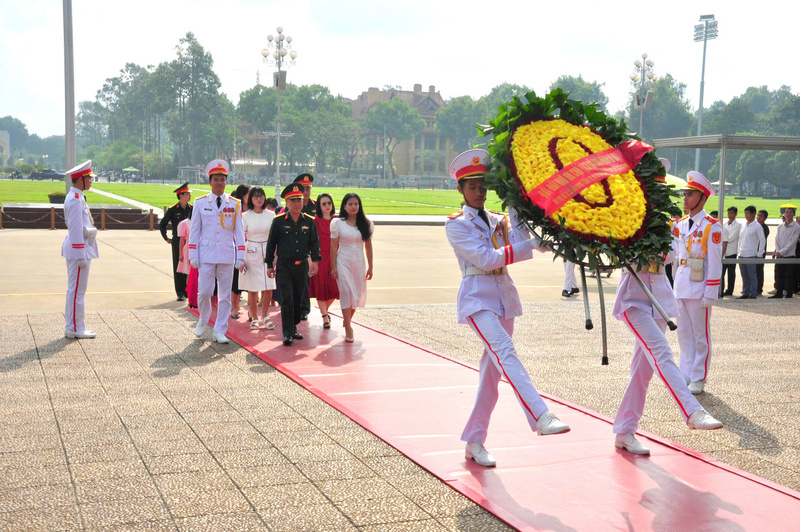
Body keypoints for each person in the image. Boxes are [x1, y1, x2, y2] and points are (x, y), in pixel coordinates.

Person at [445, 149, 569, 468]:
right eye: (471, 186)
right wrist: (528, 246)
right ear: (460, 189)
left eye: (483, 186)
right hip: (477, 298)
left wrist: (523, 210)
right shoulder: (457, 225)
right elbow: (488, 259)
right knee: (504, 350)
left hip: (503, 298)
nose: (478, 192)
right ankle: (541, 415)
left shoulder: (498, 220)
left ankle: (475, 440)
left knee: (491, 374)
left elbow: (526, 240)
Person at [612, 261, 723, 455]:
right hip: (633, 298)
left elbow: (672, 251)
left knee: (642, 372)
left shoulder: (669, 228)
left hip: (660, 299)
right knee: (662, 352)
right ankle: (692, 411)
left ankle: (624, 430)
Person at [672, 172, 723, 395]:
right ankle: (685, 373)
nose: (685, 198)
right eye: (684, 194)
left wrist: (710, 293)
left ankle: (699, 376)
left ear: (702, 198)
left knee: (700, 335)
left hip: (699, 287)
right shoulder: (680, 225)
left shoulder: (712, 226)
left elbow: (714, 262)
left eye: (690, 194)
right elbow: (673, 254)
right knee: (683, 333)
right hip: (682, 286)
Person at [188, 160, 246, 344]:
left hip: (227, 254)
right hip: (206, 254)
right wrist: (193, 253)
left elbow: (239, 231)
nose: (219, 183)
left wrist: (241, 255)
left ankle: (220, 329)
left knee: (225, 295)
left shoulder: (235, 204)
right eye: (216, 179)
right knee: (204, 292)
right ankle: (203, 319)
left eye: (222, 179)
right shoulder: (200, 203)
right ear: (210, 182)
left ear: (226, 182)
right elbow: (195, 230)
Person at [266, 183, 321, 346]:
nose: (297, 203)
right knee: (287, 300)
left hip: (302, 266)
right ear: (287, 203)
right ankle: (287, 333)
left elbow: (314, 243)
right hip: (284, 266)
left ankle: (294, 326)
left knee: (298, 300)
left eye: (299, 200)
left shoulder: (309, 222)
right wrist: (269, 264)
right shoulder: (278, 221)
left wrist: (315, 261)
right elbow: (271, 244)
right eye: (293, 200)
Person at [62, 160, 99, 339]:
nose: (91, 181)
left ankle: (73, 325)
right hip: (79, 250)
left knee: (74, 290)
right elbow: (75, 231)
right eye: (88, 178)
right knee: (77, 291)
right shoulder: (76, 200)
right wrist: (81, 255)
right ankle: (76, 327)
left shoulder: (76, 197)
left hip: (78, 248)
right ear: (80, 180)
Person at [331, 193, 374, 343]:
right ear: (344, 206)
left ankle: (347, 318)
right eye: (350, 204)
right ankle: (348, 326)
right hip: (343, 260)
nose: (353, 207)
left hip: (359, 262)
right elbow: (334, 246)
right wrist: (333, 266)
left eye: (356, 204)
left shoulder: (366, 223)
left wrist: (371, 267)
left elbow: (368, 246)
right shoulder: (338, 223)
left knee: (356, 293)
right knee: (346, 290)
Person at [238, 186, 276, 330]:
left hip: (268, 250)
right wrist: (241, 258)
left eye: (261, 196)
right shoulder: (245, 216)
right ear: (251, 199)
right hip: (251, 250)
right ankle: (254, 317)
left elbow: (276, 237)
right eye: (255, 196)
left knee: (268, 285)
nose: (259, 199)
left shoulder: (272, 215)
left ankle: (265, 315)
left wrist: (276, 255)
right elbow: (240, 237)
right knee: (252, 287)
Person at [309, 193, 339, 330]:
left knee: (336, 289)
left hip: (335, 258)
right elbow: (310, 241)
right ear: (319, 206)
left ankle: (324, 309)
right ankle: (325, 316)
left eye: (329, 203)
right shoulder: (315, 221)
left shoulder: (338, 220)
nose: (327, 206)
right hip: (320, 258)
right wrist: (311, 259)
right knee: (321, 288)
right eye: (324, 204)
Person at [159, 183, 193, 301]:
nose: (189, 196)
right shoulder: (173, 210)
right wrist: (166, 237)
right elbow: (162, 224)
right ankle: (180, 292)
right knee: (178, 265)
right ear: (181, 195)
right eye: (187, 194)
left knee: (190, 266)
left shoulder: (192, 208)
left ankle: (188, 290)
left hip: (190, 240)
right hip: (177, 240)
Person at [294, 173, 316, 320]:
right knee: (298, 279)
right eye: (304, 189)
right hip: (298, 245)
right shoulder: (296, 205)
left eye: (308, 188)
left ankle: (305, 308)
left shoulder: (316, 205)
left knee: (306, 280)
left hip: (311, 246)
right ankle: (296, 306)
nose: (307, 191)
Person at [229, 184, 251, 319]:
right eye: (249, 194)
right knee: (236, 279)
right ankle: (235, 307)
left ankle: (251, 309)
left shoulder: (255, 211)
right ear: (243, 195)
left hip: (252, 247)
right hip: (237, 247)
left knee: (251, 279)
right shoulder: (235, 209)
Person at [770, 206, 800, 299]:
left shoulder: (796, 227)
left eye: (790, 212)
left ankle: (789, 293)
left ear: (794, 214)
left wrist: (782, 252)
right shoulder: (780, 226)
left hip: (789, 255)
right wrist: (778, 251)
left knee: (790, 275)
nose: (788, 214)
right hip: (780, 255)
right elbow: (776, 239)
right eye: (787, 212)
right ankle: (779, 292)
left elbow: (792, 242)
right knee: (779, 274)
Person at [736, 205, 765, 299]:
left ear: (753, 214)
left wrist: (760, 253)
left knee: (752, 275)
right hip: (742, 254)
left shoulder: (757, 226)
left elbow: (762, 240)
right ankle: (745, 292)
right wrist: (738, 250)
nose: (746, 215)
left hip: (751, 254)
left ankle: (753, 293)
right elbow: (740, 239)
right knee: (744, 275)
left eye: (748, 213)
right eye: (745, 214)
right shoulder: (743, 225)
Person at [177, 216, 198, 308]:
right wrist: (181, 253)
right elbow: (182, 240)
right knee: (190, 274)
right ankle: (190, 296)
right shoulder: (185, 223)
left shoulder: (201, 221)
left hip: (201, 249)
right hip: (189, 250)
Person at [720, 206, 740, 297]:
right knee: (722, 272)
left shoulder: (738, 226)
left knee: (731, 273)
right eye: (728, 213)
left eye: (732, 213)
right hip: (723, 252)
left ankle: (730, 290)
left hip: (731, 252)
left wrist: (723, 239)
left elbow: (731, 237)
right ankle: (721, 289)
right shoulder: (724, 225)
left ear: (736, 214)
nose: (730, 215)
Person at [756, 209, 770, 295]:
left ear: (765, 218)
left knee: (759, 270)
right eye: (758, 215)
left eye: (761, 216)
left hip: (760, 252)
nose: (759, 217)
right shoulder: (755, 226)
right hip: (753, 251)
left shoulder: (765, 228)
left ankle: (759, 288)